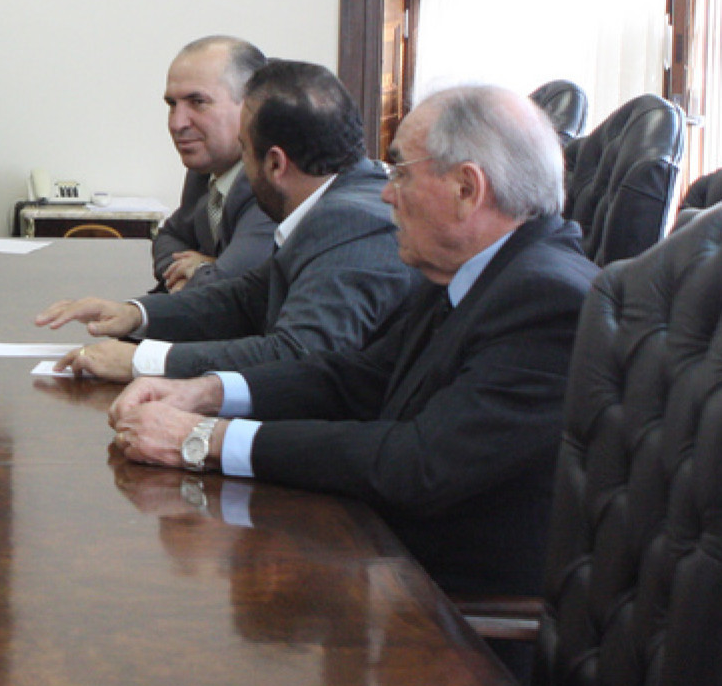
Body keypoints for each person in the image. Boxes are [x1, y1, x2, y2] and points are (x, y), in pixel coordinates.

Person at [99, 85, 599, 600]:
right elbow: (359, 376)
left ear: (467, 189)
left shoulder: (547, 300)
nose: (386, 193)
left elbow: (419, 463)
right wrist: (204, 392)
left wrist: (207, 439)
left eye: (401, 173)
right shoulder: (475, 271)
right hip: (389, 563)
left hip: (455, 619)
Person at [40, 60, 414, 379]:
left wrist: (145, 361)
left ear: (276, 164)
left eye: (245, 152)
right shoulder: (333, 205)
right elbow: (245, 299)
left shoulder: (352, 221)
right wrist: (133, 314)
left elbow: (298, 355)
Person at [150, 36, 277, 292]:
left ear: (253, 106)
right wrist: (191, 272)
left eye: (198, 103)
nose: (177, 123)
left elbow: (232, 285)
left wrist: (202, 271)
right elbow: (169, 237)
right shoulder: (207, 170)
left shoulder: (272, 177)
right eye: (172, 105)